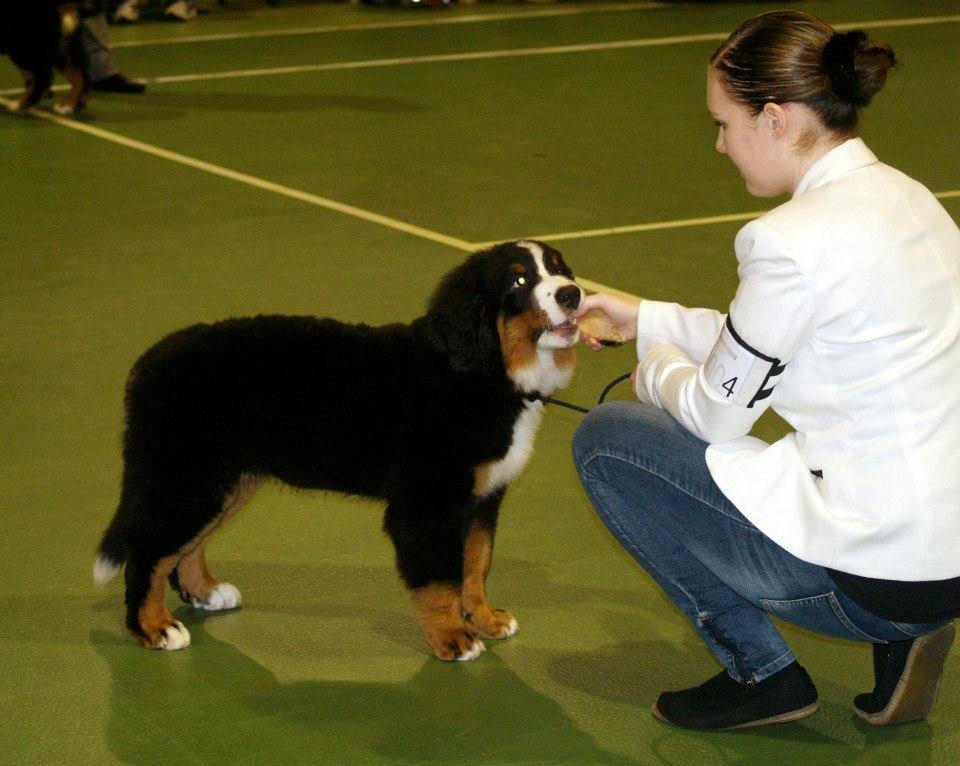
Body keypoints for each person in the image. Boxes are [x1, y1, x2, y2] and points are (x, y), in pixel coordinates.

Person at [572, 10, 960, 731]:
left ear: (776, 119)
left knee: (609, 438)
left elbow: (722, 410)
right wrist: (650, 318)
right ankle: (907, 626)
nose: (720, 145)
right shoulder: (911, 200)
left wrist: (653, 371)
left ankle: (765, 674)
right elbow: (782, 342)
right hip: (943, 555)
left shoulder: (787, 240)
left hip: (871, 577)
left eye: (724, 124)